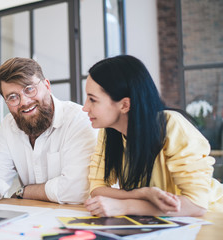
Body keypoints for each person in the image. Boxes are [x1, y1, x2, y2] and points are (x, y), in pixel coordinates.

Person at [83, 55, 223, 217]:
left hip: (211, 219)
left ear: (124, 105)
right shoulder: (109, 131)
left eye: (92, 99)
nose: (85, 108)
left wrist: (126, 206)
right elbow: (97, 189)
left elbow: (196, 205)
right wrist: (142, 193)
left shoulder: (170, 125)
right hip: (161, 223)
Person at [0, 57, 97, 204]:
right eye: (13, 97)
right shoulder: (9, 124)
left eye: (29, 89)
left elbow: (76, 190)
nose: (25, 102)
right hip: (32, 219)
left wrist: (24, 191)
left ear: (47, 85)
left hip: (75, 217)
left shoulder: (78, 119)